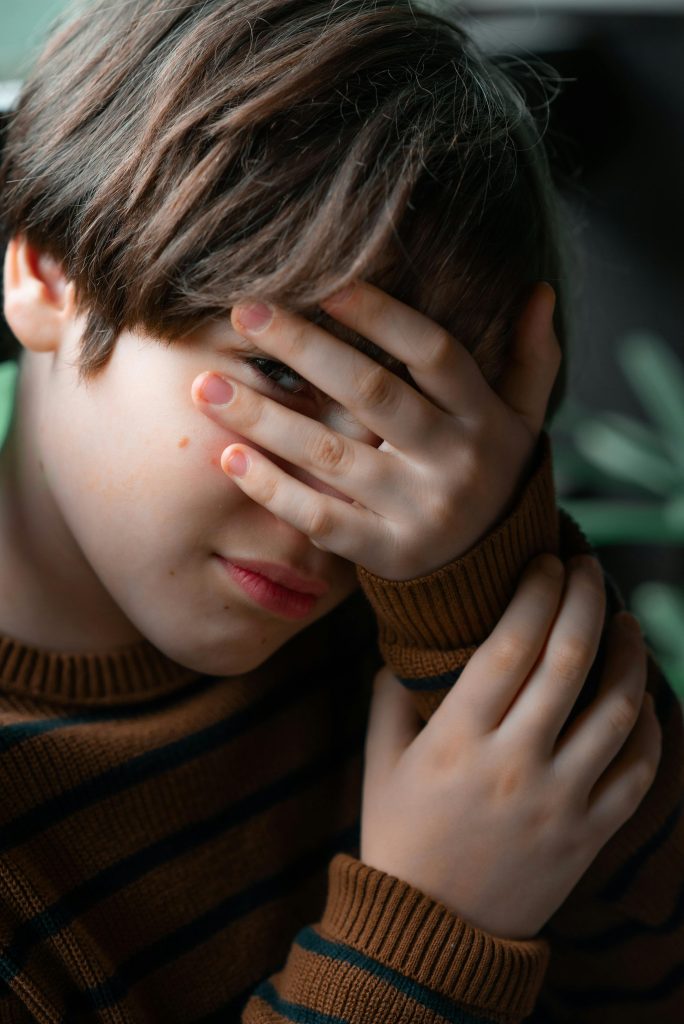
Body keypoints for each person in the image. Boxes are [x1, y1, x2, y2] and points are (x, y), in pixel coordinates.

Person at [0, 0, 680, 1021]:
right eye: (283, 375)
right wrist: (435, 923)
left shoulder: (415, 596)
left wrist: (483, 572)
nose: (345, 508)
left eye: (432, 421)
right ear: (47, 272)